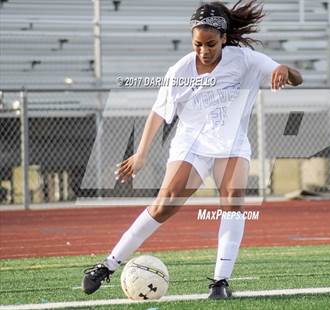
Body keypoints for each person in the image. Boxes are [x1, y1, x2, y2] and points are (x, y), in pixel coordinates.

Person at [82, 0, 302, 299]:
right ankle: (107, 265)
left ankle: (220, 282)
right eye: (198, 44)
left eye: (210, 44)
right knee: (164, 205)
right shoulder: (180, 69)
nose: (203, 51)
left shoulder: (245, 60)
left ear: (224, 38)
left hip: (231, 145)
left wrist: (284, 70)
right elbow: (158, 112)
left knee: (233, 202)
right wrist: (141, 153)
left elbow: (295, 77)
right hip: (192, 145)